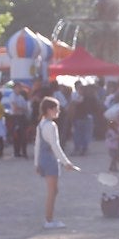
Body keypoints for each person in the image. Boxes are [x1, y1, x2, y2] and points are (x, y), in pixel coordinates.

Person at [36, 96, 78, 229]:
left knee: (53, 190)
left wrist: (36, 163)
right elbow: (56, 146)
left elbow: (37, 145)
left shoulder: (42, 123)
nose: (58, 111)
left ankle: (49, 219)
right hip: (50, 161)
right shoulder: (50, 125)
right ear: (49, 110)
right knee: (52, 191)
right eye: (56, 109)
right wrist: (66, 162)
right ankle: (49, 220)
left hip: (45, 160)